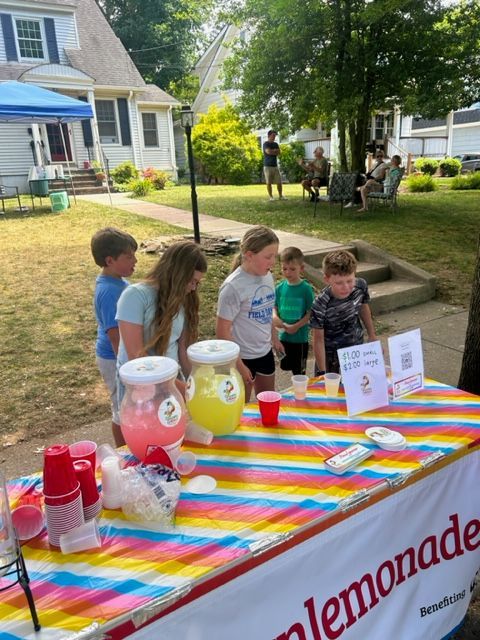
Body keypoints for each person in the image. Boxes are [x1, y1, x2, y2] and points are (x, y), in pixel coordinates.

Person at [116, 241, 208, 401]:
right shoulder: (135, 296)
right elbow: (136, 357)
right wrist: (182, 390)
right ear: (177, 274)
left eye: (197, 283)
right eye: (191, 280)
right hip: (142, 389)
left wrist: (195, 385)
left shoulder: (183, 299)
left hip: (173, 386)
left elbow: (183, 350)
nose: (193, 288)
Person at [216, 225, 282, 401]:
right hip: (242, 357)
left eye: (274, 256)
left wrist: (274, 336)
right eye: (268, 257)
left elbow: (266, 310)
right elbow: (222, 332)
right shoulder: (232, 287)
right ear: (249, 255)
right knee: (240, 410)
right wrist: (239, 364)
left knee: (267, 402)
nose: (273, 262)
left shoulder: (267, 276)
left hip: (264, 352)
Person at [91, 227, 138, 446]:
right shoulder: (109, 291)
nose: (135, 261)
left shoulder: (119, 282)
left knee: (129, 404)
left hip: (122, 356)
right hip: (114, 358)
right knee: (121, 407)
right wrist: (126, 368)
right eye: (129, 257)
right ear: (110, 260)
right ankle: (123, 451)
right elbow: (115, 336)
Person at [310, 250, 377, 375]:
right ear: (327, 279)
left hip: (356, 352)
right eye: (339, 283)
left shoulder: (360, 286)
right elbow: (318, 340)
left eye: (350, 280)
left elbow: (364, 308)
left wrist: (372, 335)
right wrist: (323, 372)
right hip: (330, 358)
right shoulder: (320, 304)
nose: (346, 287)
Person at [273, 247, 314, 376]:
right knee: (285, 367)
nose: (288, 273)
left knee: (299, 373)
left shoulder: (306, 289)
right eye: (284, 268)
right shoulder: (279, 288)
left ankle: (300, 394)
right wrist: (275, 317)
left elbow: (311, 312)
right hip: (283, 337)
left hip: (299, 339)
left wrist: (297, 326)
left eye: (292, 269)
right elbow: (273, 307)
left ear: (301, 268)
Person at [263, 130, 287, 201]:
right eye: (273, 135)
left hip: (275, 165)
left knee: (279, 182)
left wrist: (273, 151)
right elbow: (268, 152)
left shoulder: (276, 144)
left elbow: (279, 152)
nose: (274, 137)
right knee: (268, 182)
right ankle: (271, 197)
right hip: (267, 166)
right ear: (269, 136)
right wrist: (274, 151)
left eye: (275, 136)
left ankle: (280, 196)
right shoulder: (265, 144)